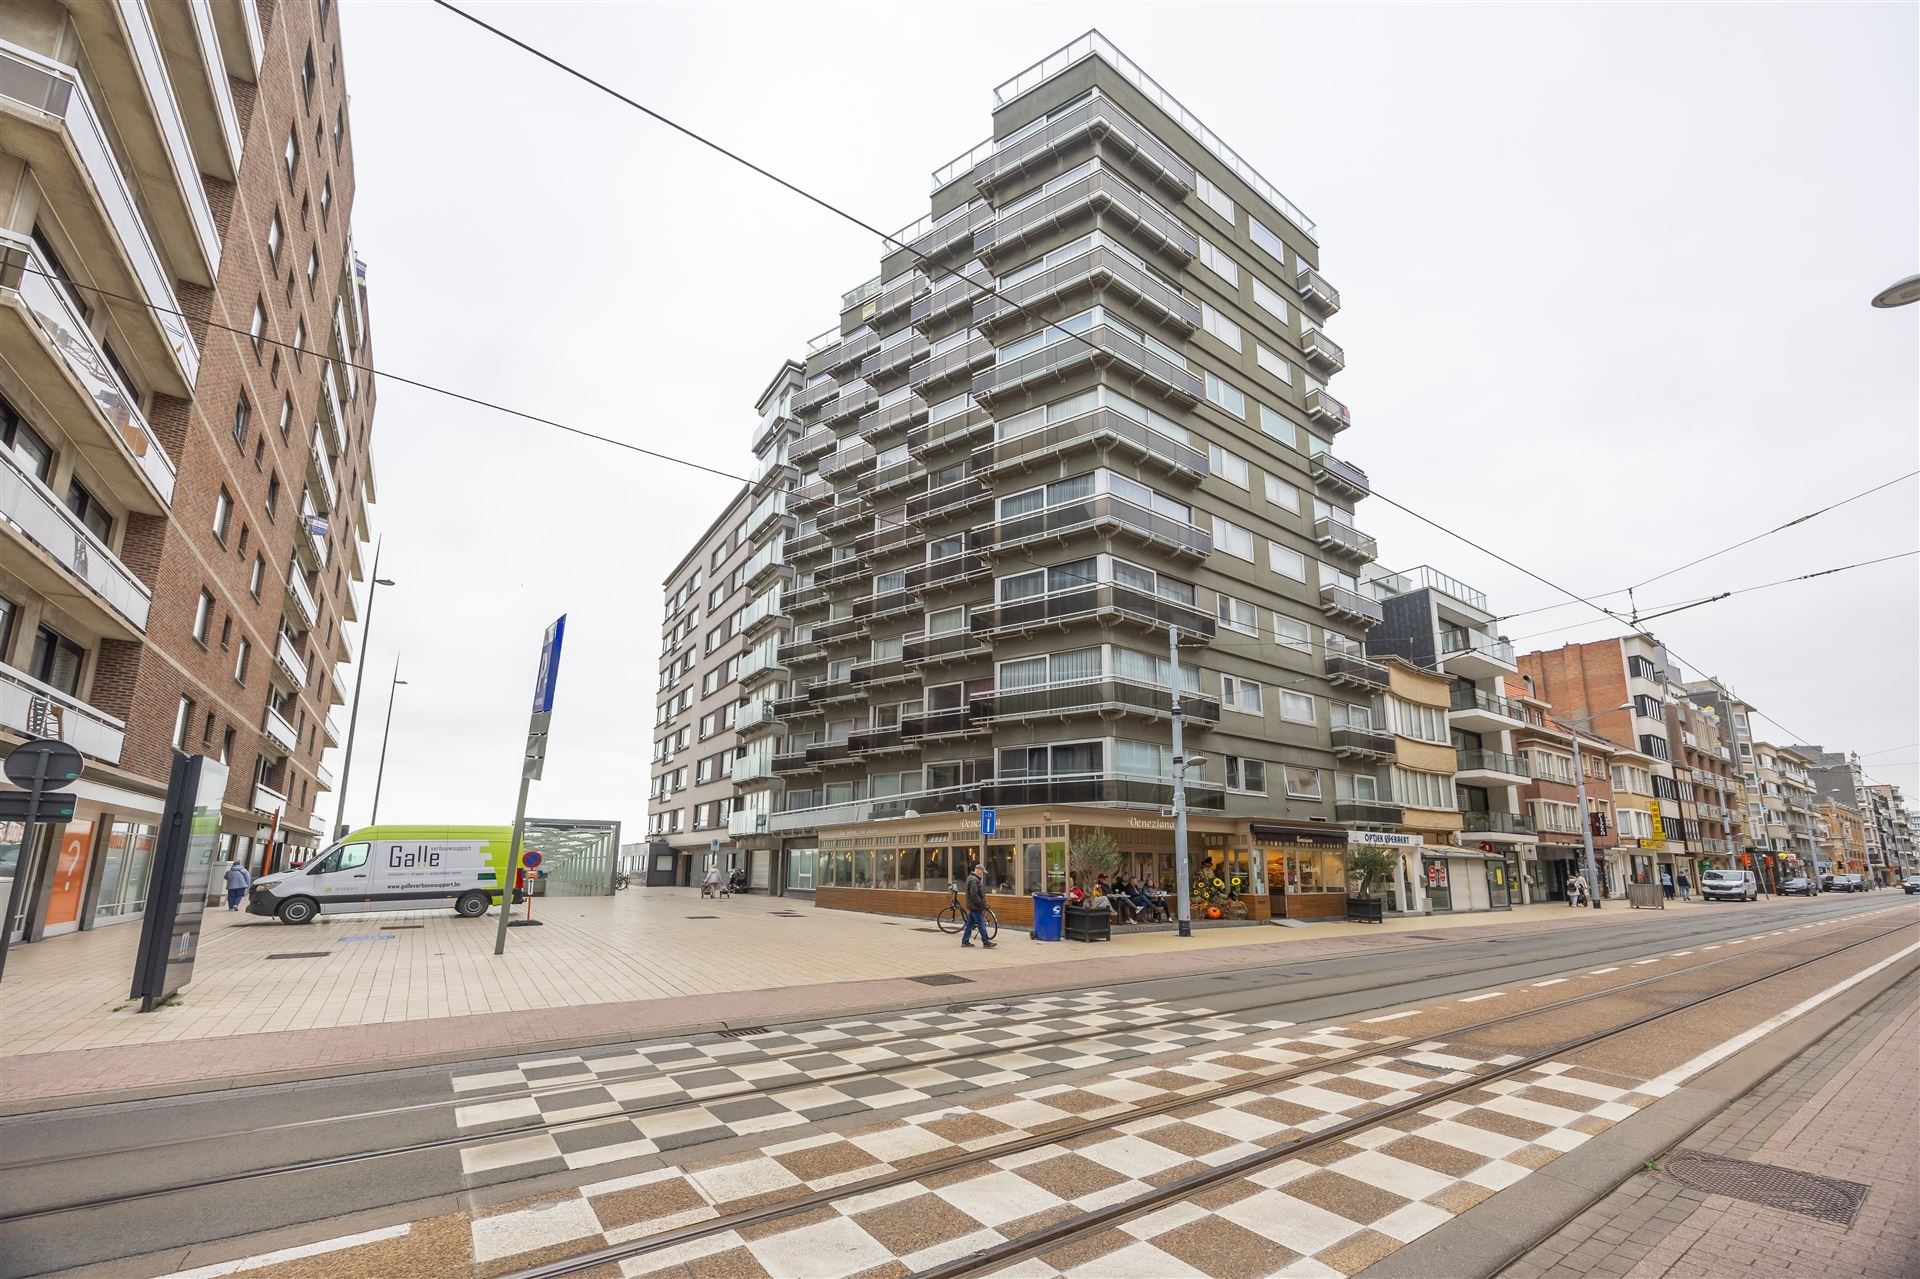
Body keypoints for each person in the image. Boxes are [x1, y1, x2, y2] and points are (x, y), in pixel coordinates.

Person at [960, 862, 994, 948]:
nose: (983, 874)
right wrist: (981, 904)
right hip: (975, 906)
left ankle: (965, 942)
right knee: (981, 924)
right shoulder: (973, 880)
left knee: (969, 925)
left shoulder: (973, 879)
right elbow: (974, 894)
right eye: (982, 872)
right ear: (979, 871)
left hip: (973, 906)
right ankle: (986, 943)